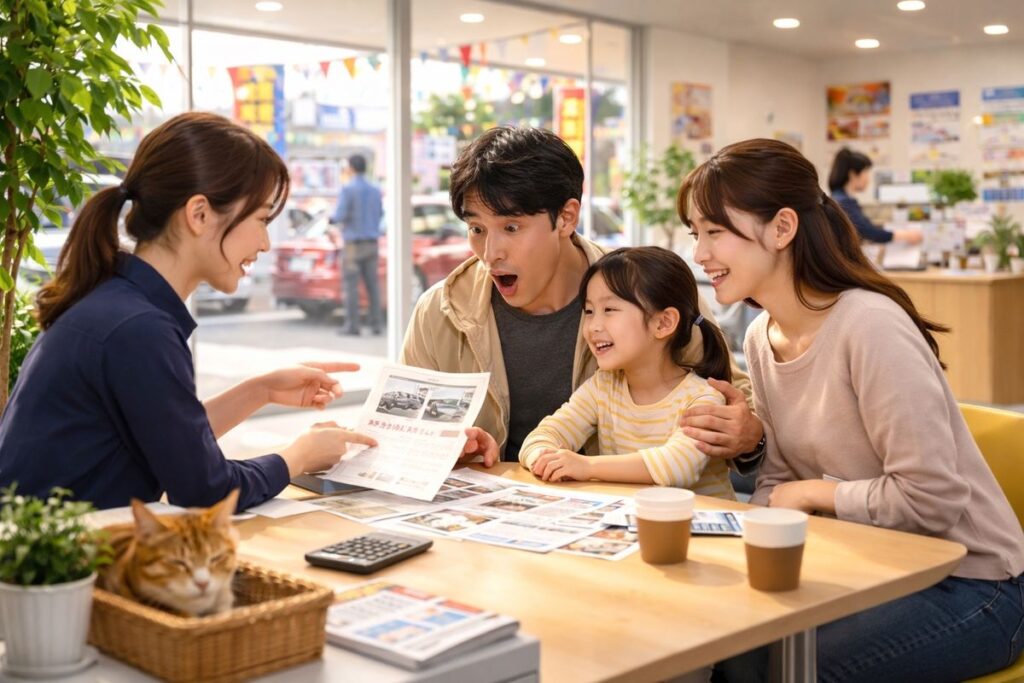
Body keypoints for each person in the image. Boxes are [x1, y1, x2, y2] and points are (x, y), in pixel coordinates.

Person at [679, 138, 1024, 683]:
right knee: (722, 648)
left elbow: (932, 498)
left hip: (975, 585)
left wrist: (815, 493)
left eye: (714, 232)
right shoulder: (760, 338)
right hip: (872, 561)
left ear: (782, 228)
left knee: (779, 669)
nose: (699, 254)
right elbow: (778, 483)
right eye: (695, 234)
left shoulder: (869, 325)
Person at [0, 112, 376, 512]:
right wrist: (299, 455)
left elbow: (170, 442)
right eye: (262, 219)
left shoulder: (116, 305)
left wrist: (261, 390)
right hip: (55, 569)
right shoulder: (138, 328)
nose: (265, 243)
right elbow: (205, 489)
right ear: (199, 214)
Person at [399, 125, 764, 470]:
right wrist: (447, 450)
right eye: (476, 229)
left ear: (566, 218)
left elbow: (741, 412)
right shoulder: (441, 312)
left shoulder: (648, 293)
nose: (489, 252)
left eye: (511, 227)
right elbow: (399, 434)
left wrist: (749, 438)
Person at [520, 247, 736, 500]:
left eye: (609, 310)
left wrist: (586, 466)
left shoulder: (702, 397)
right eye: (589, 311)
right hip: (633, 527)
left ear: (663, 323)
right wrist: (545, 458)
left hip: (704, 532)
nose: (593, 327)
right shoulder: (602, 387)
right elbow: (541, 437)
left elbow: (677, 466)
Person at [333, 154, 384, 336]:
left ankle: (353, 326)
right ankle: (376, 325)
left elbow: (339, 216)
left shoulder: (348, 189)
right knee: (372, 286)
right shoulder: (375, 190)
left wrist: (330, 219)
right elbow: (380, 214)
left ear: (351, 168)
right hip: (372, 243)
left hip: (353, 245)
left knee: (351, 287)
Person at [828, 147, 923, 245]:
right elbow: (868, 231)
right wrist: (906, 235)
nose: (868, 179)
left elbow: (866, 227)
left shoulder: (841, 198)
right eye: (865, 173)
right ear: (852, 174)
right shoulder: (843, 202)